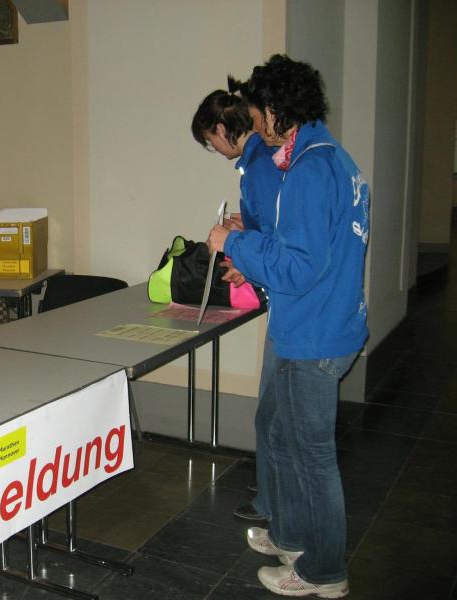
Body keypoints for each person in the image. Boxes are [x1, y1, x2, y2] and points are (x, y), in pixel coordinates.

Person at [207, 54, 369, 598]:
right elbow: (308, 249)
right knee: (280, 431)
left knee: (311, 457)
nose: (254, 127)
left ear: (276, 111)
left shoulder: (308, 172)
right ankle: (293, 536)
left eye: (257, 116)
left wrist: (232, 242)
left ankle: (324, 571)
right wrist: (251, 250)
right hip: (320, 321)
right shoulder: (330, 159)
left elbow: (299, 268)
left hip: (313, 332)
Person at [192, 86, 281, 523]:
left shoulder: (261, 166)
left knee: (273, 415)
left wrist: (235, 244)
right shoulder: (257, 163)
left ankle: (273, 504)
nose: (214, 148)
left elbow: (281, 242)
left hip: (291, 311)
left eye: (211, 140)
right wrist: (245, 246)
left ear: (222, 128)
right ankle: (272, 494)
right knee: (272, 414)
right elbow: (270, 230)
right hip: (282, 298)